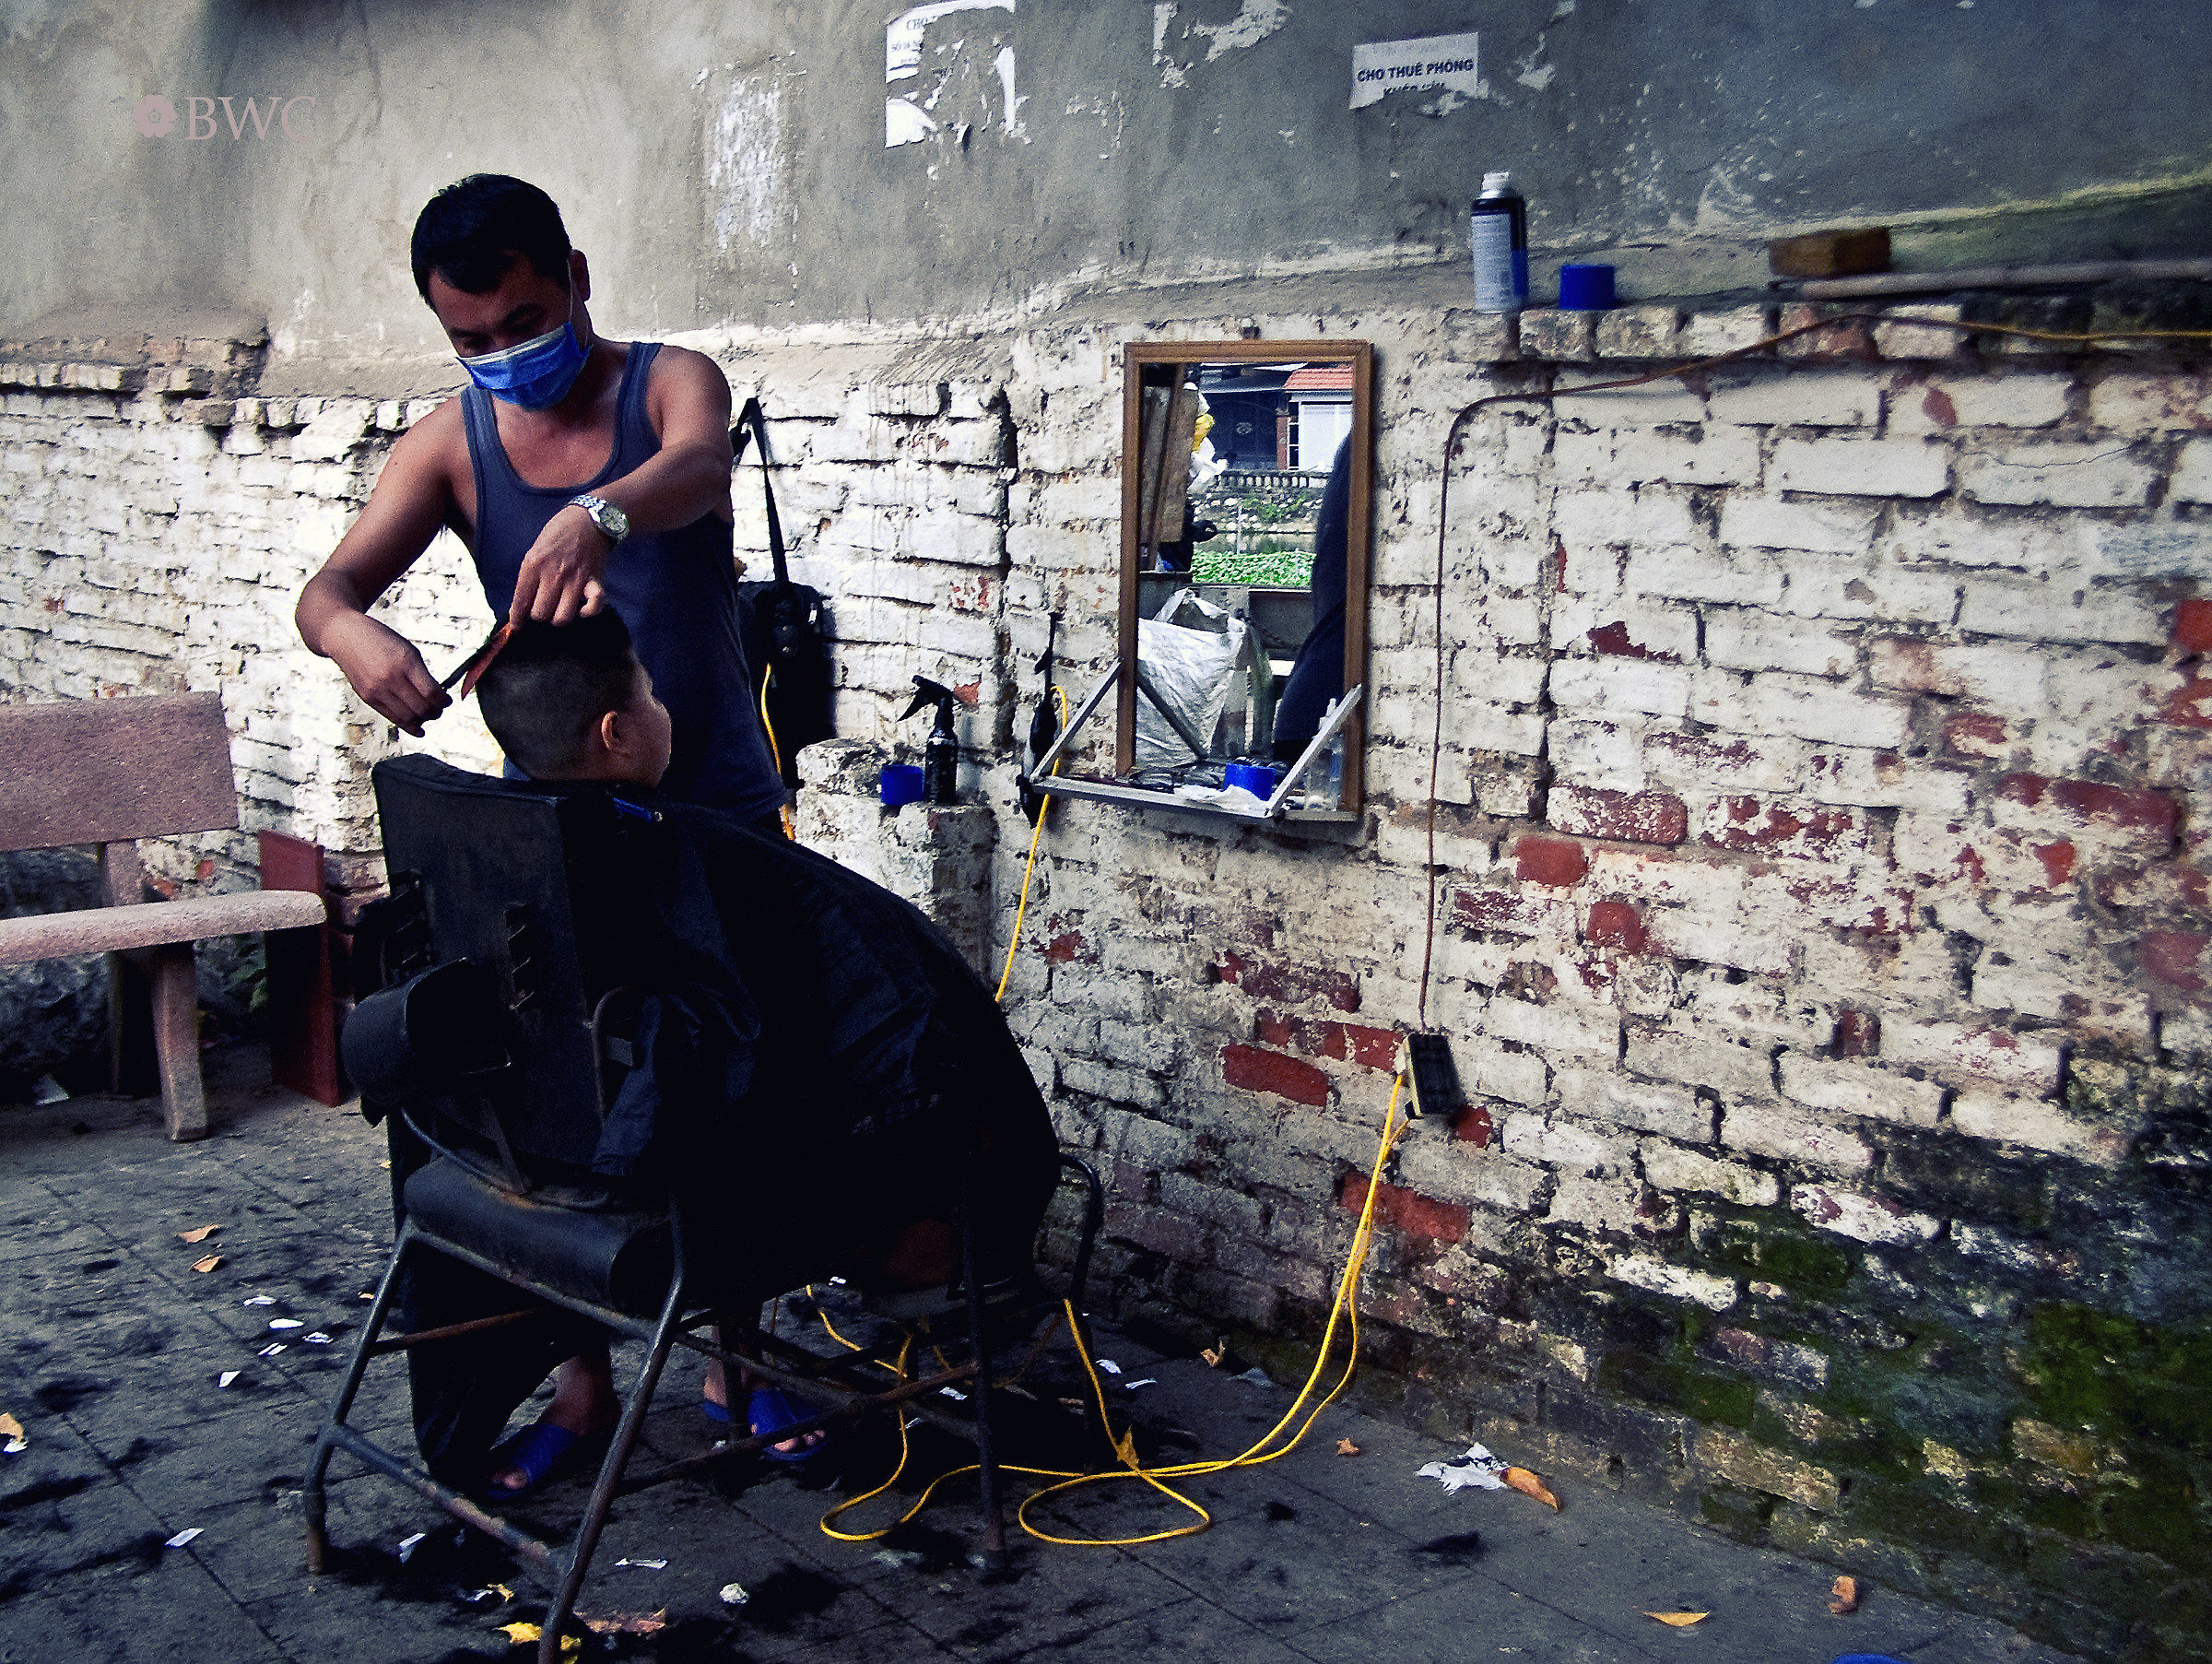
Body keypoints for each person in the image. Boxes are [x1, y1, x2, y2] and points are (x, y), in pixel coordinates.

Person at [417, 612, 1059, 1496]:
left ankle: (736, 1369)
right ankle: (650, 1381)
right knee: (794, 1089)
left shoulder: (497, 849)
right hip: (645, 1189)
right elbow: (866, 1012)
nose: (661, 704)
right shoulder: (678, 854)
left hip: (523, 1166)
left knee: (741, 1063)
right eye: (649, 691)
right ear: (617, 733)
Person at [295, 173, 784, 827]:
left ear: (575, 276)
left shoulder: (669, 382)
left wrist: (597, 516)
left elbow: (701, 465)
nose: (506, 354)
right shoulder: (447, 448)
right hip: (555, 819)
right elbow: (326, 591)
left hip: (719, 806)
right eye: (473, 343)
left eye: (524, 324)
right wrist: (342, 631)